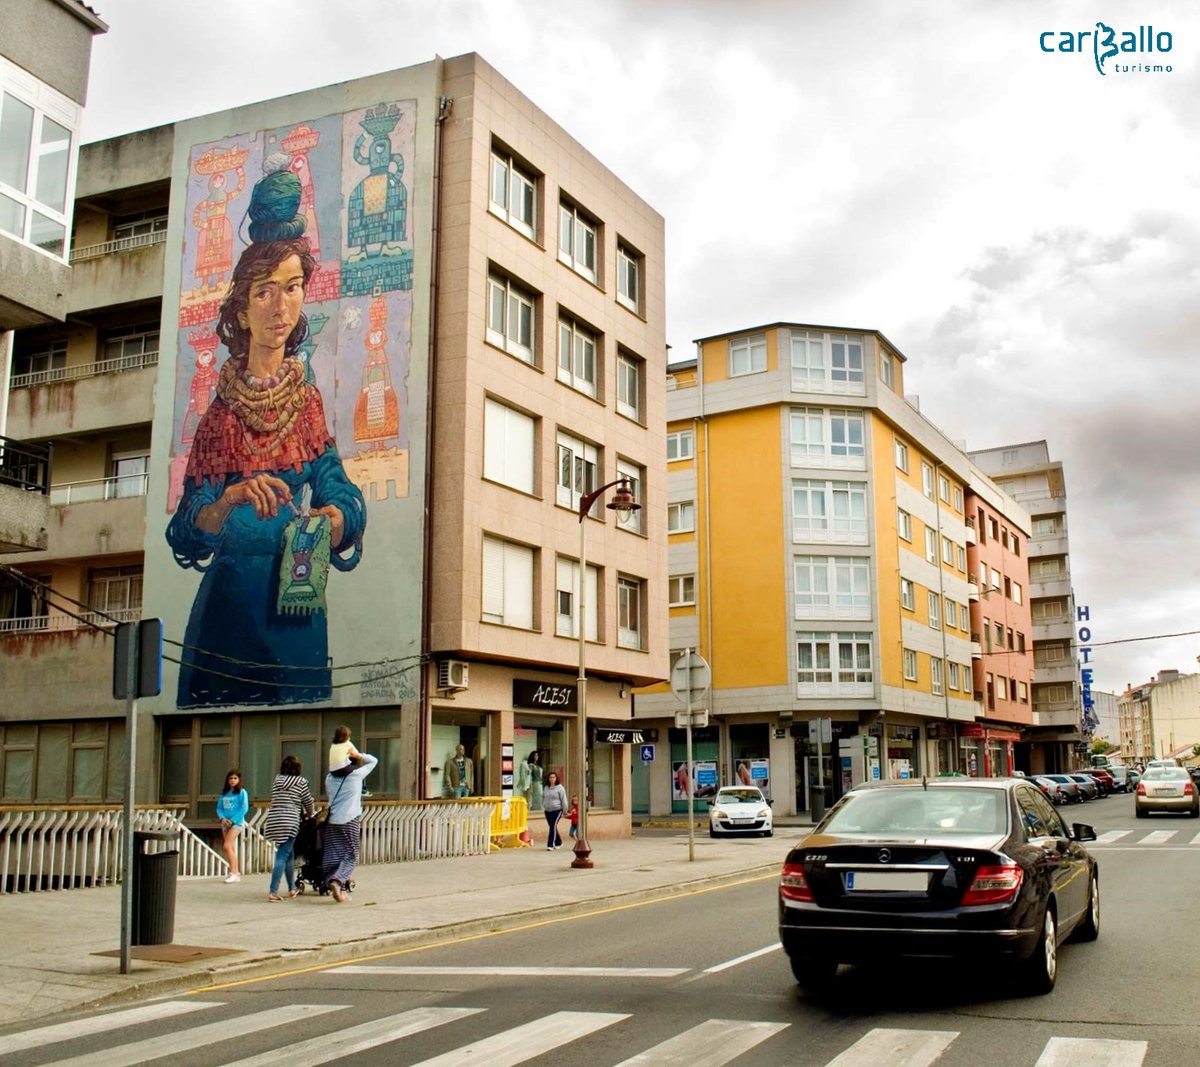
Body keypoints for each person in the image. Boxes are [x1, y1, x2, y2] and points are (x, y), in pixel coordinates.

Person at [167, 165, 367, 709]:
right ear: (242, 306)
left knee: (298, 727)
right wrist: (228, 499)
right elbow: (185, 529)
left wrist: (335, 517)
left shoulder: (307, 406)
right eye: (265, 292)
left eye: (293, 288)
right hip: (227, 614)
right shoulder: (219, 417)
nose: (280, 307)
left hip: (296, 609)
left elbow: (339, 490)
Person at [323, 750, 378, 902]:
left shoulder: (329, 778)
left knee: (333, 854)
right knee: (352, 854)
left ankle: (337, 888)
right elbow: (373, 761)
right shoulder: (356, 776)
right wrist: (359, 755)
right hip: (350, 818)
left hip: (332, 819)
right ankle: (338, 880)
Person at [263, 755, 314, 901]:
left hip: (274, 819)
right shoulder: (301, 782)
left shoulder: (276, 781)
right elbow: (308, 802)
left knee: (289, 854)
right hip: (290, 820)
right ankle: (273, 891)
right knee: (282, 855)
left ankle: (292, 887)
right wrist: (310, 814)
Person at [216, 769, 248, 883]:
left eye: (235, 778)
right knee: (231, 848)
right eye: (231, 778)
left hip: (237, 823)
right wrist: (222, 818)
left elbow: (244, 808)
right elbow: (219, 808)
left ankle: (233, 872)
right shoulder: (224, 793)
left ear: (239, 780)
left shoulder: (242, 792)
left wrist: (233, 820)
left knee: (226, 846)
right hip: (225, 823)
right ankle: (236, 872)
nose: (233, 780)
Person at [542, 771, 568, 850]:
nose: (552, 779)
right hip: (547, 810)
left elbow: (563, 799)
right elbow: (543, 797)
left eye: (553, 777)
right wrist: (543, 806)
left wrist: (565, 810)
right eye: (550, 777)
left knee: (553, 826)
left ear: (556, 778)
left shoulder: (560, 788)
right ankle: (558, 842)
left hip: (557, 810)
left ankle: (550, 845)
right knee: (552, 826)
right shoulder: (546, 787)